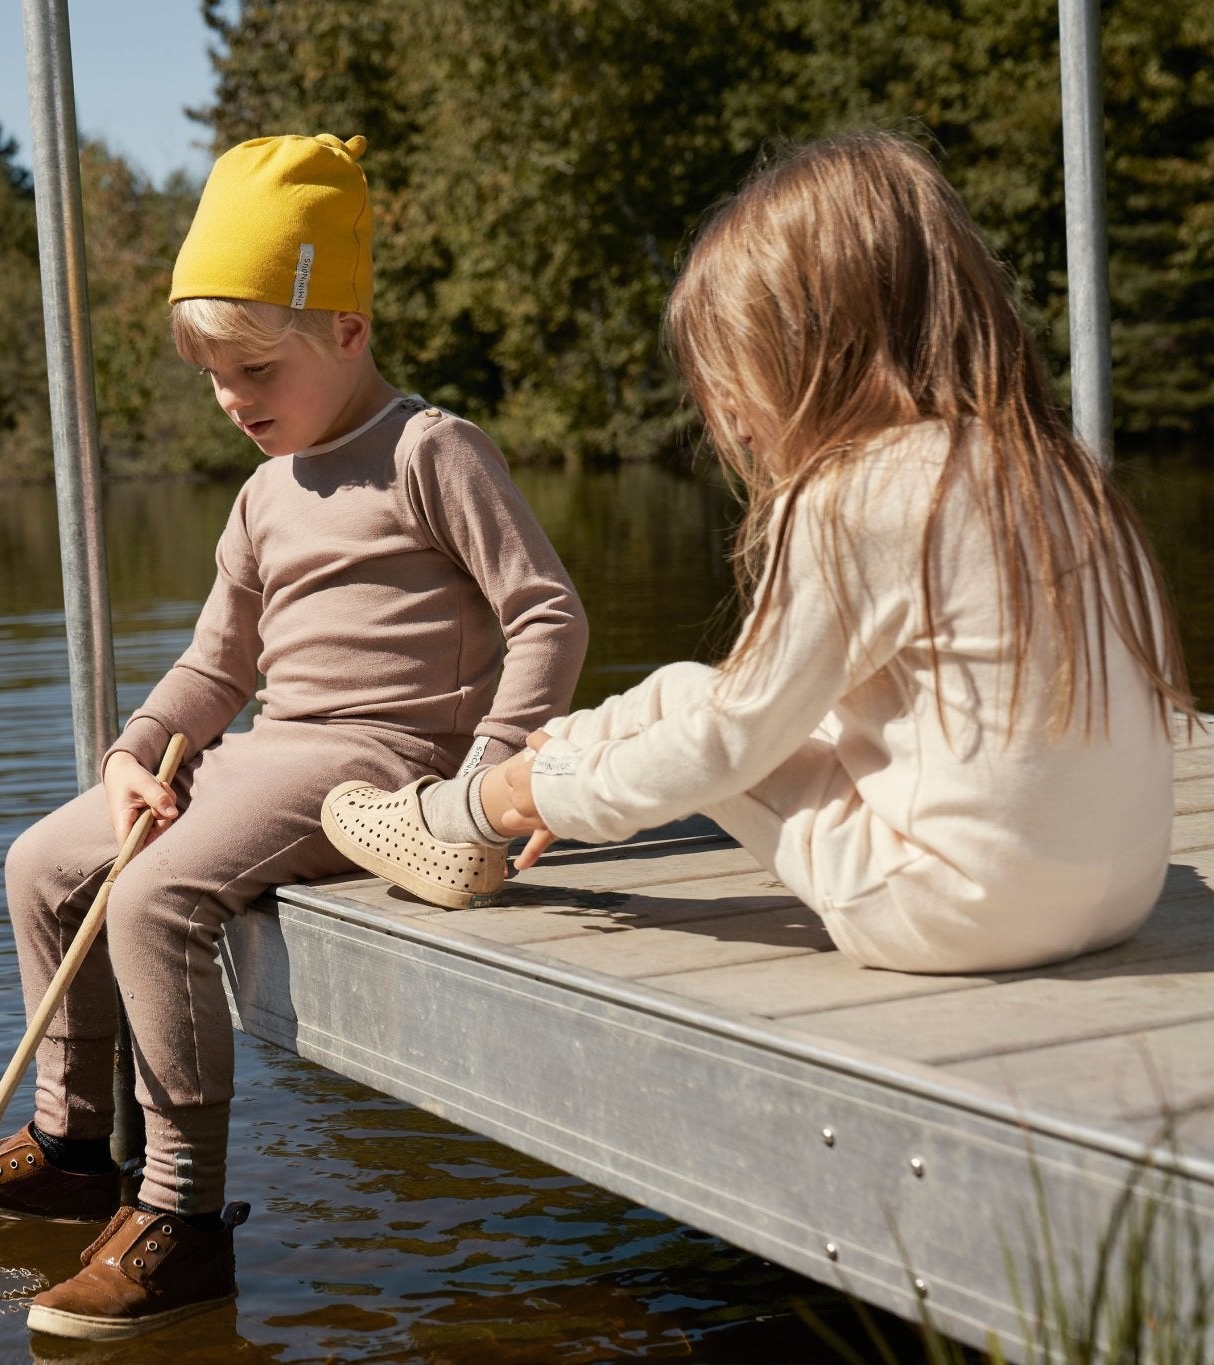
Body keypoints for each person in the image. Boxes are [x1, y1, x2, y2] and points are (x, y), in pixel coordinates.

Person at [0, 132, 588, 1341]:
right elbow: (214, 664)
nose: (232, 398)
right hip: (262, 750)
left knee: (155, 893)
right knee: (42, 863)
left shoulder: (432, 451)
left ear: (346, 327)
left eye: (254, 366)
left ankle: (180, 1222)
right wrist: (135, 753)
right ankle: (73, 1150)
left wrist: (492, 778)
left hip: (380, 765)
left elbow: (545, 612)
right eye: (213, 376)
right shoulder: (260, 495)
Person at [324, 130, 1195, 975]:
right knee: (682, 693)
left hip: (949, 915)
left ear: (813, 353)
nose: (734, 421)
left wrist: (540, 793)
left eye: (736, 379)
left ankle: (474, 807)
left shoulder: (862, 493)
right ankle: (482, 796)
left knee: (698, 716)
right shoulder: (1062, 469)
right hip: (1123, 896)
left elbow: (729, 743)